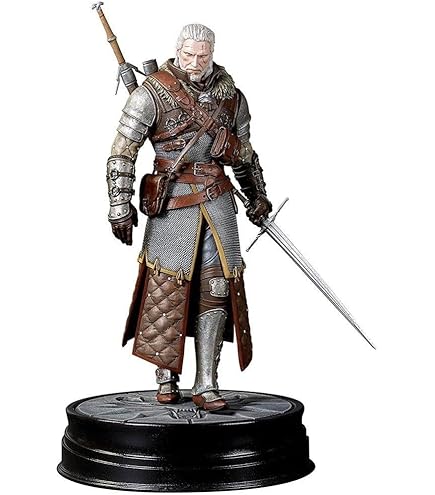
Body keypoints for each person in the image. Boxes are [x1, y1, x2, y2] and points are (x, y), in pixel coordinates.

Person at [106, 24, 272, 411]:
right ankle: (165, 374)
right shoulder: (152, 93)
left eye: (202, 56)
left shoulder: (232, 98)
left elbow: (244, 155)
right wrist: (119, 205)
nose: (195, 63)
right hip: (173, 203)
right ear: (178, 51)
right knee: (167, 287)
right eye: (188, 55)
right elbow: (122, 152)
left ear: (212, 54)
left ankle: (207, 381)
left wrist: (257, 196)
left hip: (217, 202)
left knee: (216, 287)